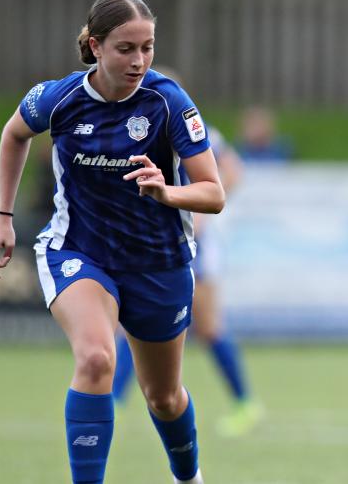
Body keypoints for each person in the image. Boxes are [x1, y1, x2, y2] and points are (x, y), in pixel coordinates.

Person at [0, 0, 224, 484]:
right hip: (79, 251)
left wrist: (166, 192)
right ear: (94, 46)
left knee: (164, 396)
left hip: (158, 262)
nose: (139, 61)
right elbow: (13, 134)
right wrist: (3, 219)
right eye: (125, 48)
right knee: (96, 358)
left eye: (148, 48)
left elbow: (213, 194)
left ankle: (187, 477)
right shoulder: (60, 98)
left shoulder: (167, 101)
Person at [112, 68, 261, 437]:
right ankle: (113, 402)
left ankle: (245, 402)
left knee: (208, 327)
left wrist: (197, 205)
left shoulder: (196, 128)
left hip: (195, 244)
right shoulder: (133, 129)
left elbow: (233, 171)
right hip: (150, 242)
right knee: (134, 322)